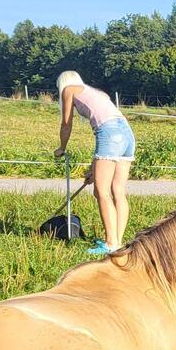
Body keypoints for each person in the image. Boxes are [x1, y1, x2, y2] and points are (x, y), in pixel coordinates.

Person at [55, 70, 135, 257]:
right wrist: (94, 169)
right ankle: (117, 241)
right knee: (118, 192)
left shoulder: (68, 90)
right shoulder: (98, 93)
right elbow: (105, 142)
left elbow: (67, 124)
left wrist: (61, 148)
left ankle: (110, 244)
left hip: (110, 133)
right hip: (127, 134)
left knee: (101, 192)